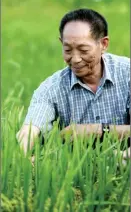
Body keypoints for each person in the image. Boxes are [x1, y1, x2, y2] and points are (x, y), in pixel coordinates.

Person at [17, 8, 130, 157]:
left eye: (83, 50)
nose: (75, 59)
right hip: (75, 173)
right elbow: (30, 129)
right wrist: (23, 153)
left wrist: (96, 130)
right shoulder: (52, 87)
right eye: (68, 50)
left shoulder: (127, 73)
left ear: (103, 44)